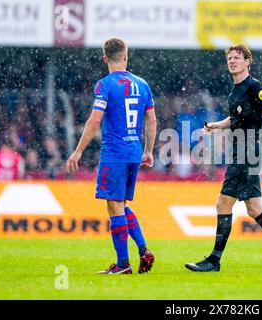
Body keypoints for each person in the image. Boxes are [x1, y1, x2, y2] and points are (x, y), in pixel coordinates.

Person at [185, 44, 262, 273]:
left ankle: (214, 260)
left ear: (248, 62)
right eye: (230, 58)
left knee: (223, 203)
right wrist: (218, 125)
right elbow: (236, 116)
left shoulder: (255, 87)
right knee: (254, 207)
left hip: (248, 153)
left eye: (237, 57)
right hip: (241, 151)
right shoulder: (235, 89)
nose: (232, 61)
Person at [66, 38, 157, 275]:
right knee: (121, 204)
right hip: (134, 151)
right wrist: (148, 150)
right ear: (126, 56)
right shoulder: (143, 84)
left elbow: (95, 119)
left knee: (114, 205)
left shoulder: (104, 85)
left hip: (114, 152)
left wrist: (78, 151)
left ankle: (123, 264)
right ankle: (144, 250)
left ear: (105, 58)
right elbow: (152, 119)